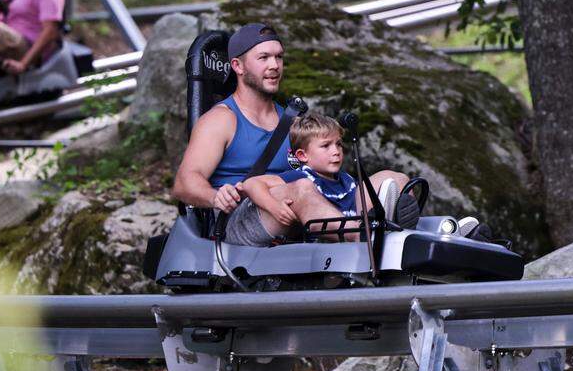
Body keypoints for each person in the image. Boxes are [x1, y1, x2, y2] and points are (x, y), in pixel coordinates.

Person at [171, 22, 411, 247]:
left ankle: (379, 231)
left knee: (393, 179)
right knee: (302, 189)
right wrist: (216, 197)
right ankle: (362, 238)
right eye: (263, 58)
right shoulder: (221, 119)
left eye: (279, 57)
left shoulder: (292, 122)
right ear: (238, 66)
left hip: (299, 209)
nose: (274, 65)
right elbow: (184, 183)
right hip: (239, 221)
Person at [242, 112, 365, 242]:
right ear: (302, 155)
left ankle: (377, 227)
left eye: (339, 144)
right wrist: (274, 206)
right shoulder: (302, 175)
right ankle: (359, 234)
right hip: (325, 249)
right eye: (325, 145)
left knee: (386, 175)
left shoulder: (346, 180)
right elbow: (251, 183)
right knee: (304, 186)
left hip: (354, 233)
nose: (336, 152)